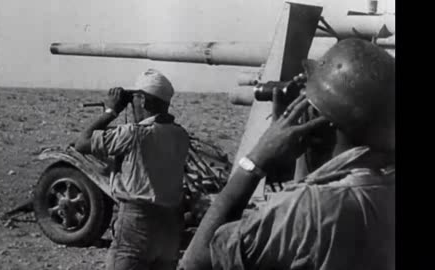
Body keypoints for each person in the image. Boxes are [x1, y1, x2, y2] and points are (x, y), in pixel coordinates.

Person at [181, 38, 395, 270]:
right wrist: (305, 150)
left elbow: (197, 262)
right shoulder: (381, 187)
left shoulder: (307, 209)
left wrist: (254, 162)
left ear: (322, 117)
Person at [74, 69, 190, 270]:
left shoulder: (134, 134)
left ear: (143, 101)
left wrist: (110, 111)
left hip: (137, 224)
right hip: (169, 228)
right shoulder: (181, 135)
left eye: (135, 98)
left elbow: (82, 142)